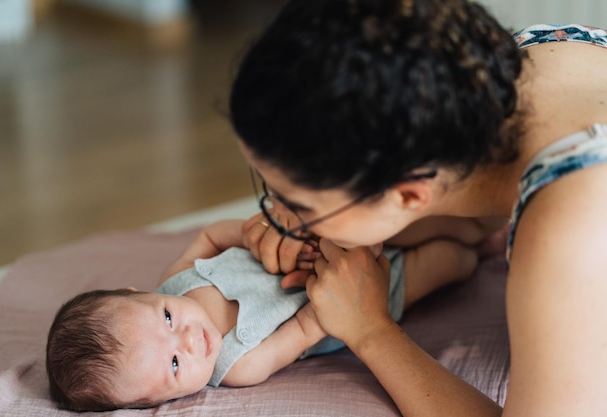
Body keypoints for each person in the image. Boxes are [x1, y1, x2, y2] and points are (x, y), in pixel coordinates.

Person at [226, 0, 607, 416]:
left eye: (299, 204)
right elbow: (483, 209)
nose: (281, 218)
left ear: (408, 194)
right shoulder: (537, 56)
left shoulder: (571, 231)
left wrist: (371, 330)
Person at [46, 218, 479, 411]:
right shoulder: (240, 364)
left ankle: (473, 227)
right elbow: (306, 328)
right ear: (159, 403)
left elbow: (212, 234)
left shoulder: (176, 278)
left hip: (317, 246)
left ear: (135, 292)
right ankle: (475, 254)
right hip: (364, 298)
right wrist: (342, 290)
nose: (190, 339)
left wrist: (256, 236)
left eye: (165, 320)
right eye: (175, 364)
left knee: (405, 225)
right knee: (444, 263)